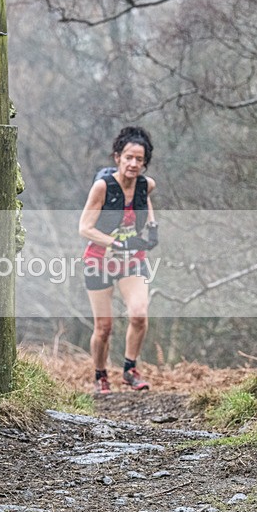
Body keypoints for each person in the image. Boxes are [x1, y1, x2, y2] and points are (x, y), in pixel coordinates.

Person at [78, 126, 159, 395]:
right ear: (117, 157)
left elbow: (144, 200)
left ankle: (130, 370)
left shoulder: (147, 185)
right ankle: (100, 375)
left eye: (139, 159)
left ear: (144, 162)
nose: (133, 163)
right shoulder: (102, 187)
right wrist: (117, 242)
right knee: (104, 327)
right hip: (99, 260)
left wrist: (152, 225)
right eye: (129, 157)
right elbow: (85, 228)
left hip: (132, 260)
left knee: (139, 314)